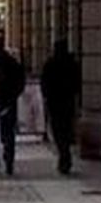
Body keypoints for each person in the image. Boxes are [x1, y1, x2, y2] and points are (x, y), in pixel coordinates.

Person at [0, 35, 26, 176]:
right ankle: (8, 162)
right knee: (8, 134)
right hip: (8, 102)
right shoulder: (12, 63)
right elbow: (20, 82)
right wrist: (13, 96)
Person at [41, 39, 81, 175]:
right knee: (66, 129)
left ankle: (64, 156)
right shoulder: (72, 64)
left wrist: (46, 96)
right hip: (67, 102)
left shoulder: (50, 64)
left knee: (58, 131)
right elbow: (77, 83)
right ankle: (65, 156)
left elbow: (44, 83)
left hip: (55, 102)